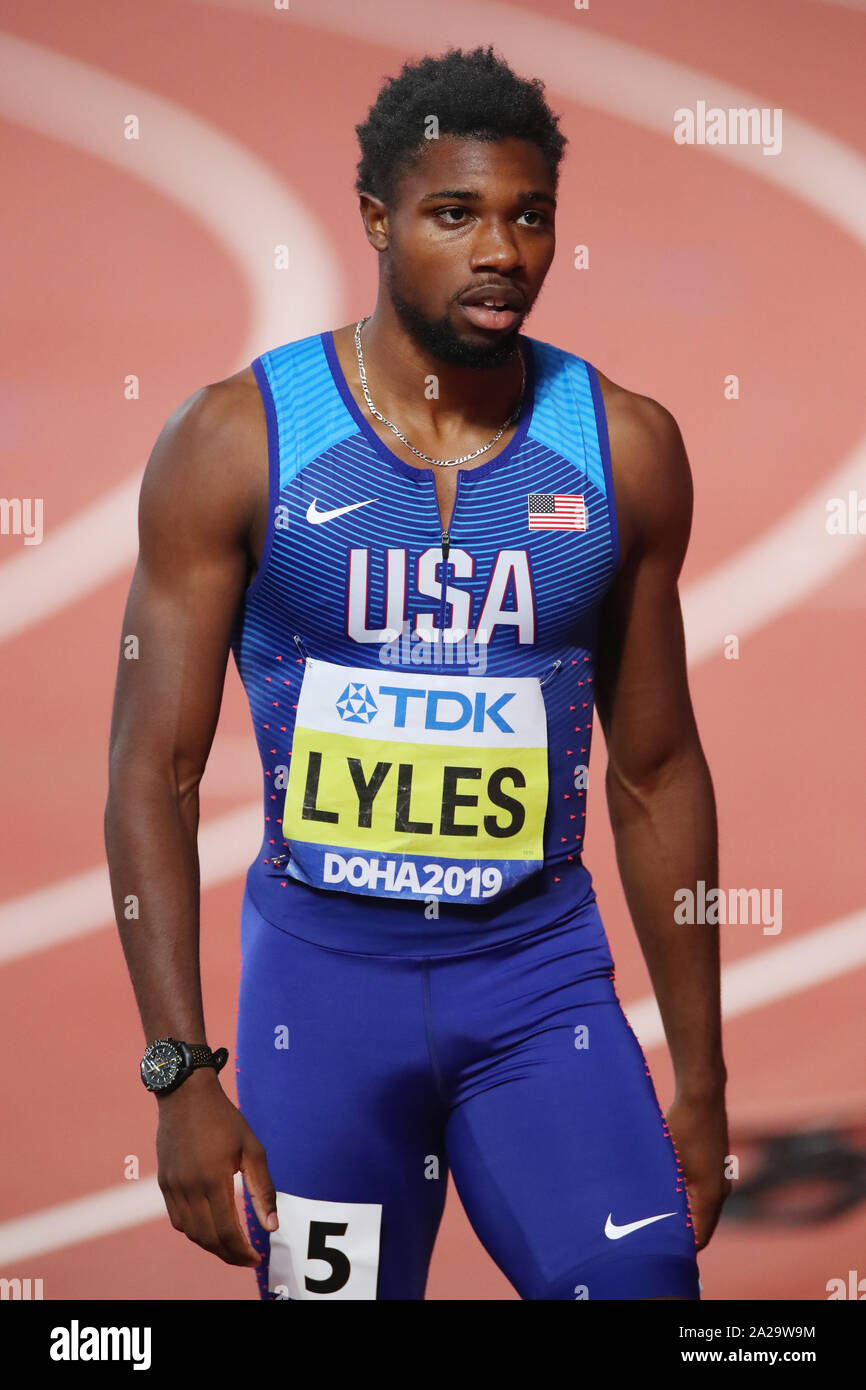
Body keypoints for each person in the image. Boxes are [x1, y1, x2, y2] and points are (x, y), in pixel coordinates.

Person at [105, 45, 729, 1301]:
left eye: (528, 216)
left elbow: (656, 773)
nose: (499, 250)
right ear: (378, 222)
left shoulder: (620, 450)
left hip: (537, 981)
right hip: (321, 1001)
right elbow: (154, 774)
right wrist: (181, 1072)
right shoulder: (237, 443)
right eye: (455, 215)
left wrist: (703, 1081)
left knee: (646, 1293)